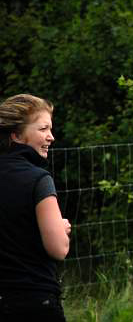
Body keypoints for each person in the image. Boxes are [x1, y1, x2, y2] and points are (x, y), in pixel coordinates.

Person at [0, 94, 70, 321]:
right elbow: (58, 248)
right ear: (16, 135)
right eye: (43, 129)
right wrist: (60, 228)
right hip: (35, 301)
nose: (51, 137)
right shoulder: (38, 179)